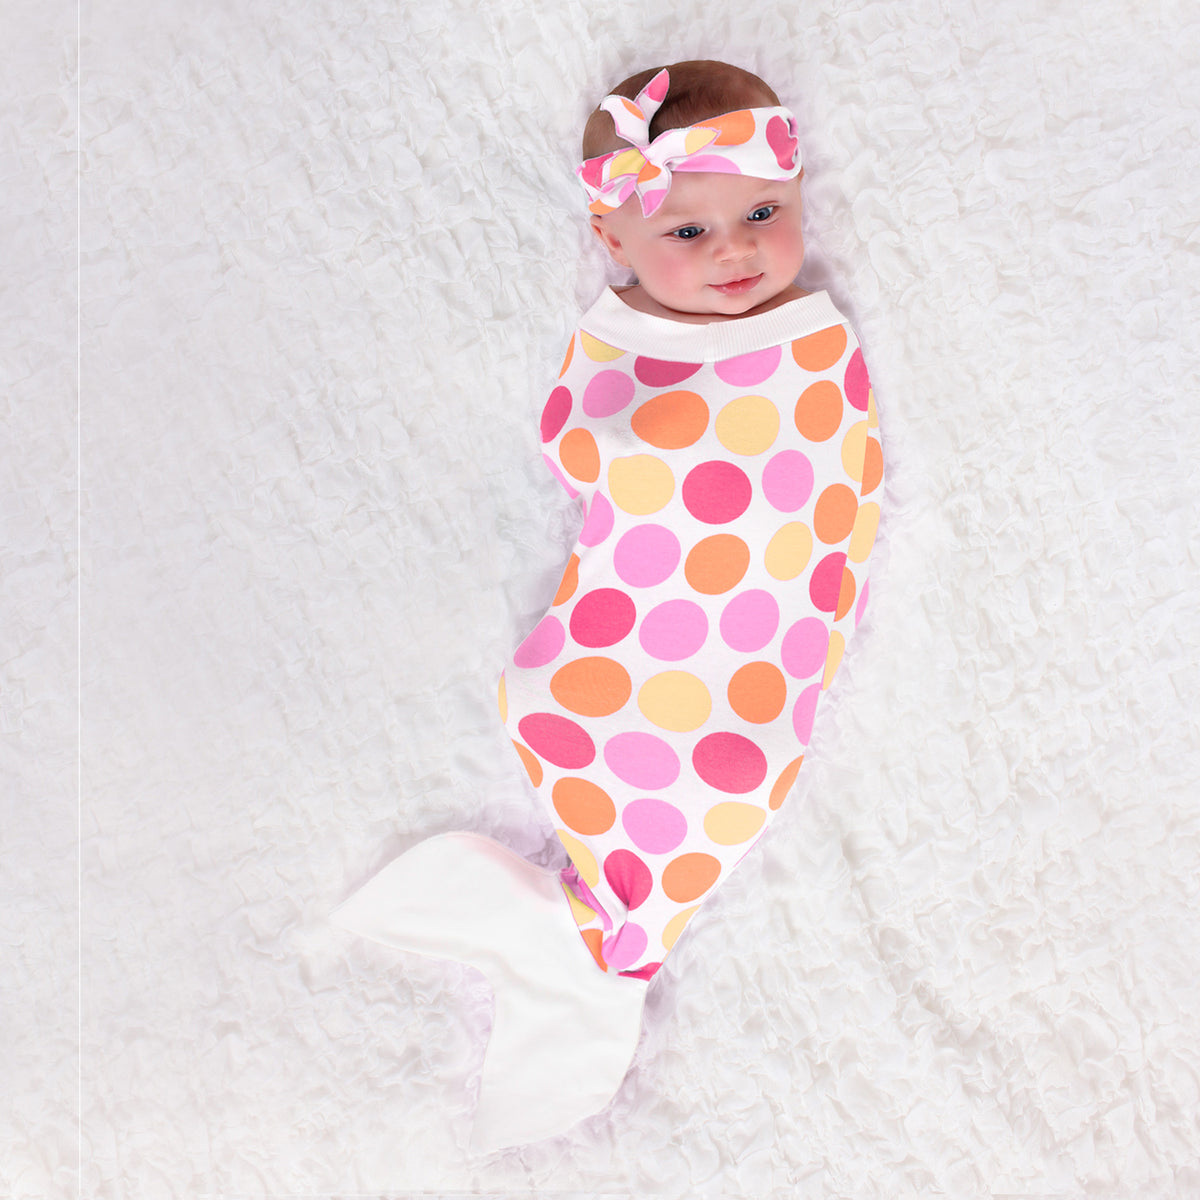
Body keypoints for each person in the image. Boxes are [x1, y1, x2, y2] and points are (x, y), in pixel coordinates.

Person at [334, 59, 884, 1152]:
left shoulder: (814, 342)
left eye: (762, 214)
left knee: (742, 762)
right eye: (687, 231)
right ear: (612, 236)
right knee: (712, 768)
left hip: (758, 642)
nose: (734, 251)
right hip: (629, 642)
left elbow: (836, 484)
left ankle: (592, 946)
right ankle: (596, 942)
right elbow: (583, 443)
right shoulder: (623, 343)